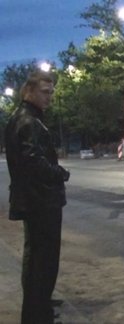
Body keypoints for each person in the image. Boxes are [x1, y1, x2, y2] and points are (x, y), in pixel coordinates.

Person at [4, 70, 70, 323]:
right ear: (28, 91)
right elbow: (32, 161)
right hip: (40, 201)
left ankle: (37, 309)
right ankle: (38, 314)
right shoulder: (28, 121)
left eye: (51, 92)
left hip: (34, 200)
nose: (49, 97)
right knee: (43, 262)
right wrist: (59, 173)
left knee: (36, 260)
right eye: (44, 92)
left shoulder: (23, 118)